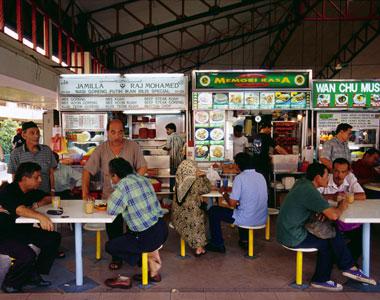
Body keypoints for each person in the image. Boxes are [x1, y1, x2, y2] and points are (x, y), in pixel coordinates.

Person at [276, 162, 376, 291]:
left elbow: (313, 206)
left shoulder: (302, 183)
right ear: (317, 177)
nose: (328, 178)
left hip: (286, 230)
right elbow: (334, 215)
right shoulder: (309, 191)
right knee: (328, 241)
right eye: (325, 176)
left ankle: (348, 267)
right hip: (292, 235)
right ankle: (325, 278)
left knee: (331, 230)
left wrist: (321, 211)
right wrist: (341, 206)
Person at [83, 119, 147, 270]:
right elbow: (87, 170)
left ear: (123, 132)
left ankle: (134, 255)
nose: (117, 135)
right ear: (107, 133)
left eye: (120, 132)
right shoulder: (101, 149)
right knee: (114, 228)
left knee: (134, 228)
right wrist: (85, 193)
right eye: (113, 132)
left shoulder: (133, 146)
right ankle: (117, 257)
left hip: (132, 197)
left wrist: (131, 184)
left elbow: (143, 167)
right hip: (110, 196)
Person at [104, 158, 168, 289]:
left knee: (111, 246)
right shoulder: (143, 179)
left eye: (111, 176)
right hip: (162, 229)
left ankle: (125, 279)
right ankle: (152, 272)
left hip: (147, 238)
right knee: (132, 236)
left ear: (115, 175)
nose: (112, 179)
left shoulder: (123, 185)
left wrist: (113, 191)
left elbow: (112, 209)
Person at [0, 162, 61, 293]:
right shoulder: (8, 191)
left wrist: (37, 204)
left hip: (20, 231)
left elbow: (49, 198)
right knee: (27, 255)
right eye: (36, 177)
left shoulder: (30, 191)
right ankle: (10, 283)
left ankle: (34, 275)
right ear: (24, 178)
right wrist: (41, 217)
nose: (40, 180)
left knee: (53, 238)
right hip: (3, 234)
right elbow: (20, 210)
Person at [206, 152, 268, 253]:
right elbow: (250, 191)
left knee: (214, 211)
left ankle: (217, 243)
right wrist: (231, 189)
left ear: (238, 165)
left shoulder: (240, 178)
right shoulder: (260, 176)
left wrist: (222, 192)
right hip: (261, 218)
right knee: (242, 207)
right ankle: (244, 240)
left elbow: (232, 203)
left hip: (247, 219)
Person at [318, 158, 365, 263]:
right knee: (331, 233)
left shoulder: (350, 178)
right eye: (336, 171)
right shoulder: (324, 179)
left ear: (348, 172)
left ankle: (349, 262)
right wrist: (333, 196)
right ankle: (342, 261)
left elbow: (362, 195)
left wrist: (345, 196)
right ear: (331, 170)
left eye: (343, 172)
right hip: (329, 216)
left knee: (360, 236)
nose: (339, 175)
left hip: (346, 218)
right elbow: (314, 196)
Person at [171, 160, 211, 256]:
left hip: (177, 214)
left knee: (190, 222)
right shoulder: (196, 179)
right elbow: (206, 189)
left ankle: (195, 244)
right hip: (193, 212)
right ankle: (199, 248)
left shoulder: (179, 178)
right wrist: (204, 176)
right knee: (199, 219)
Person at [8, 122, 57, 194]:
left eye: (38, 133)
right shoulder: (16, 153)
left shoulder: (47, 150)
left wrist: (52, 190)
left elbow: (51, 173)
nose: (36, 136)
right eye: (32, 133)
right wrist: (16, 194)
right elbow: (14, 176)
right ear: (24, 135)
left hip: (45, 194)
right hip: (25, 196)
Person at [163, 123, 185, 187]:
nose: (167, 131)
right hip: (180, 160)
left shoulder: (170, 137)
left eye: (168, 130)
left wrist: (164, 148)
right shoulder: (180, 137)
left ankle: (172, 191)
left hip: (173, 160)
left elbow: (168, 147)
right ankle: (178, 190)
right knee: (179, 176)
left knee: (172, 176)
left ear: (172, 129)